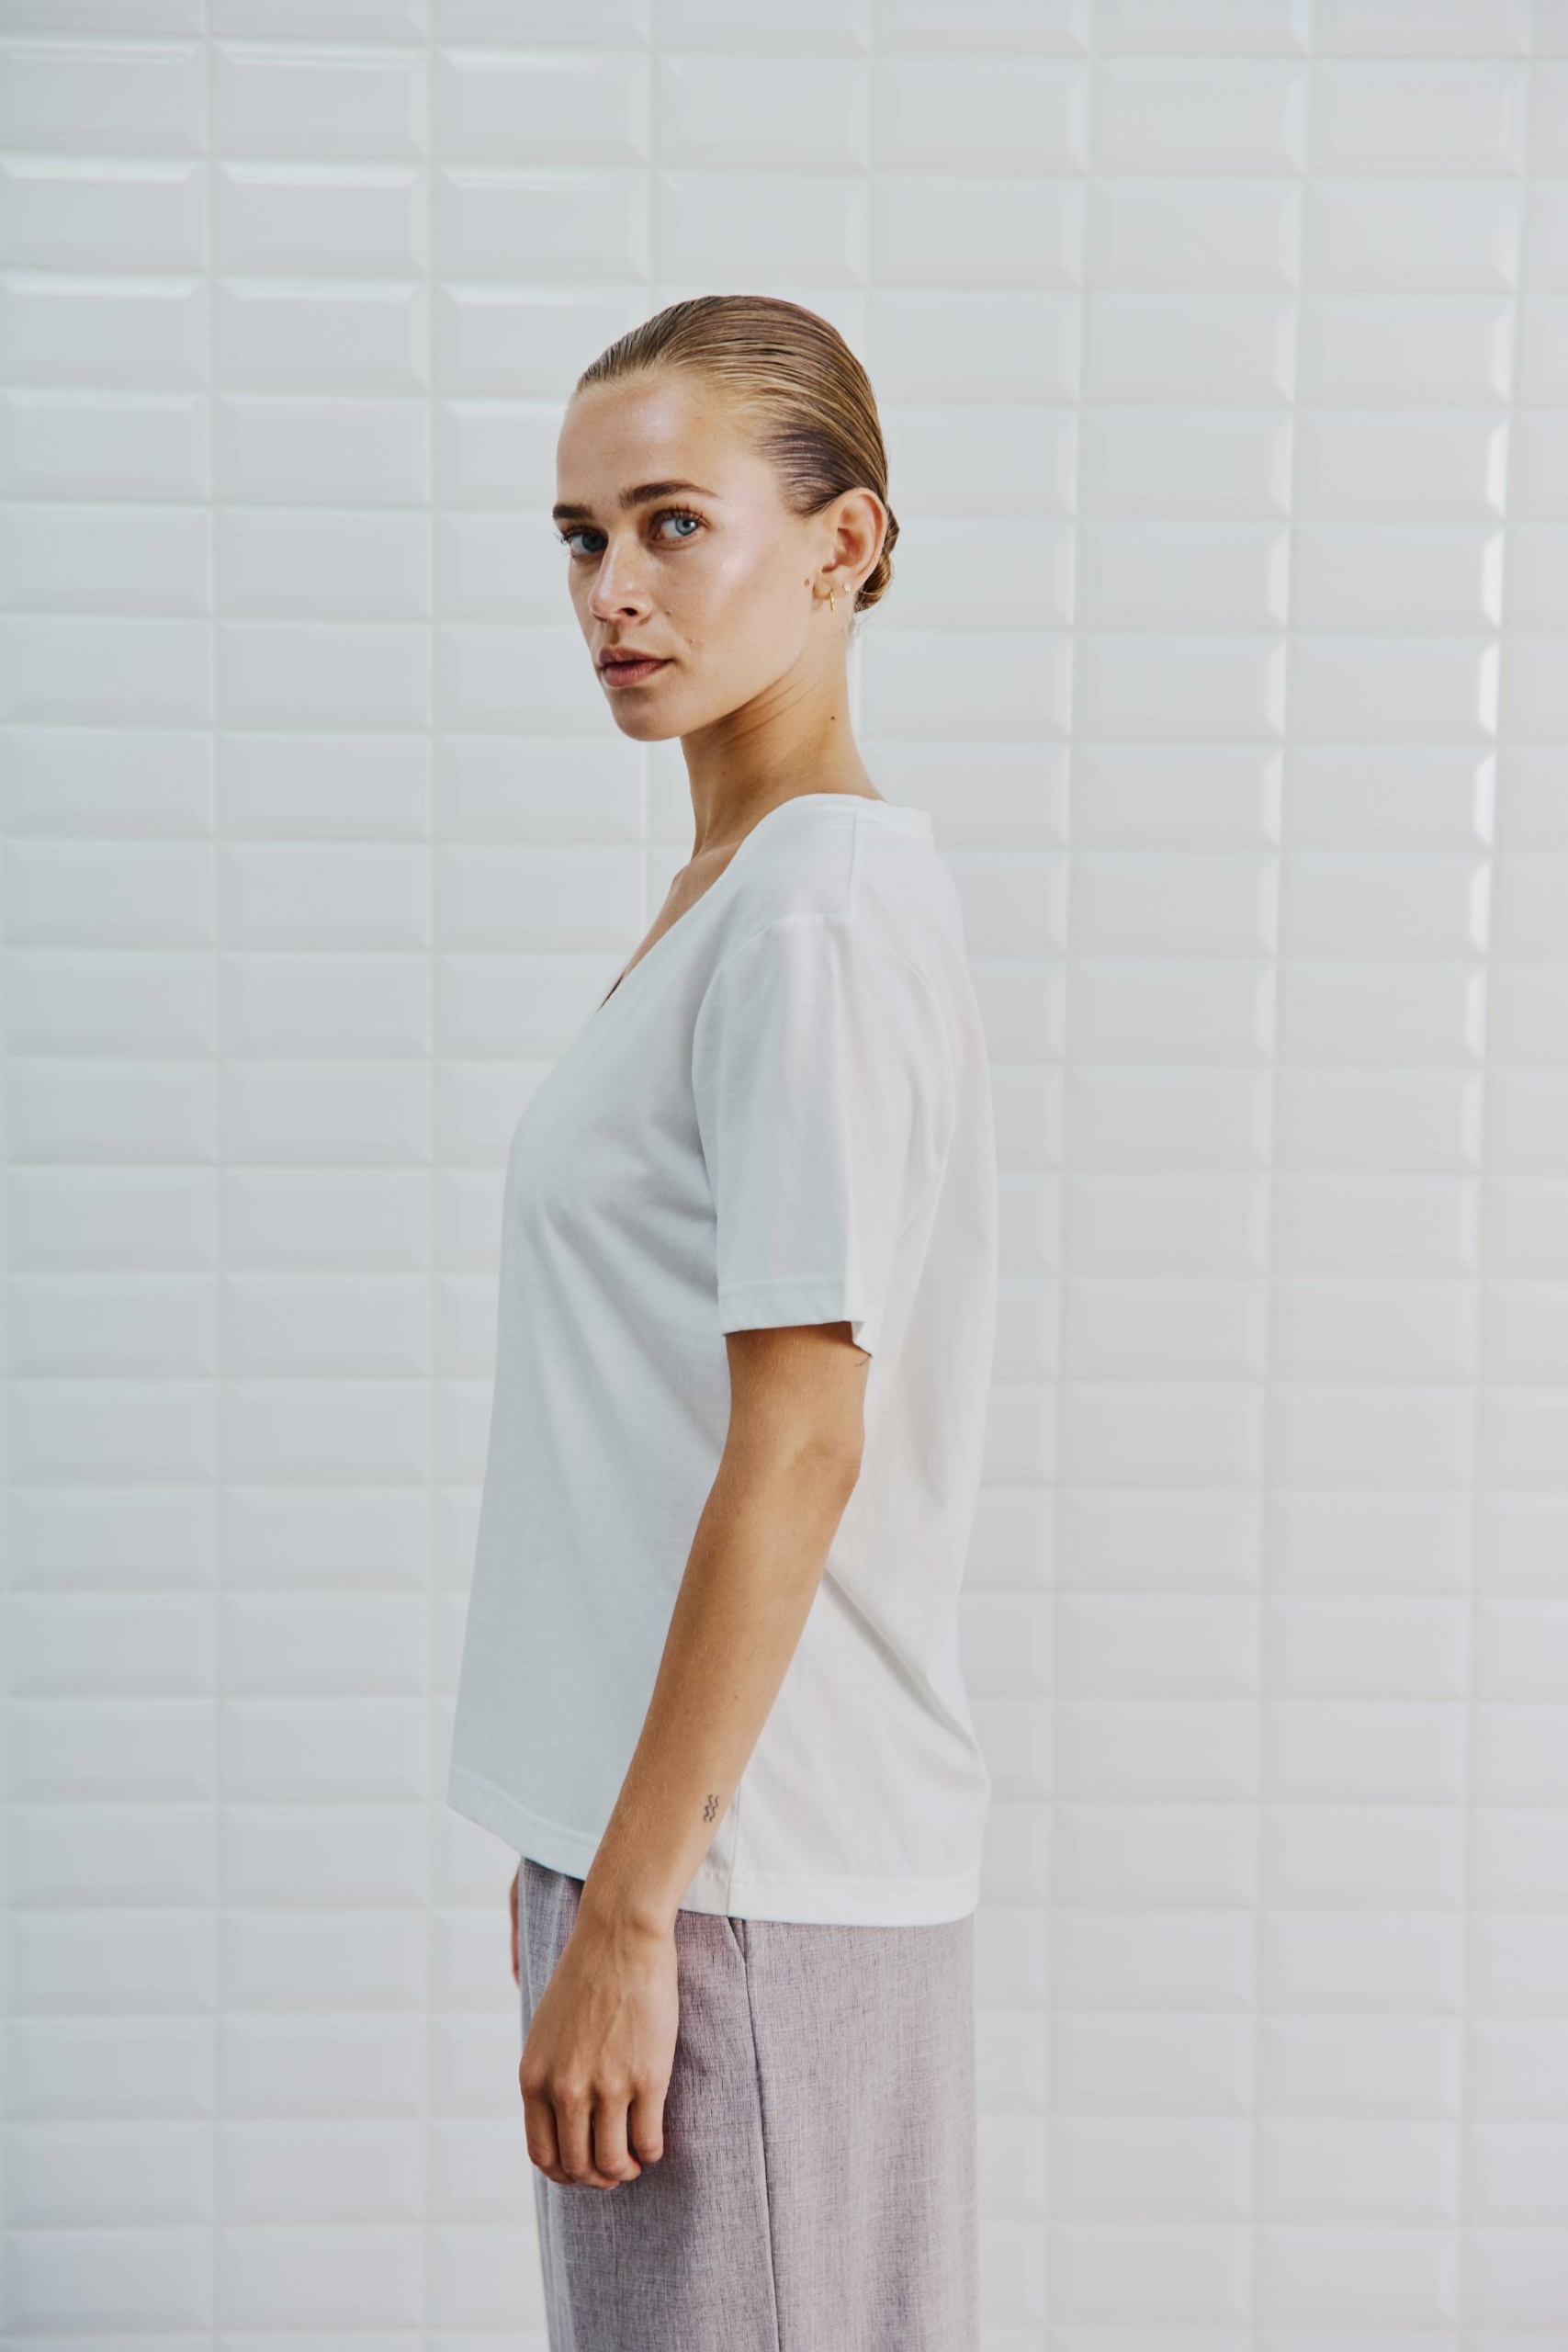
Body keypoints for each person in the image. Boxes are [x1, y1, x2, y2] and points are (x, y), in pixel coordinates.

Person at [446, 293, 997, 2350]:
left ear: (845, 542)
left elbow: (802, 1438)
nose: (614, 590)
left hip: (744, 1880)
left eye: (674, 524)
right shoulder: (743, 897)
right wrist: (581, 1869)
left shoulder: (813, 916)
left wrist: (635, 1906)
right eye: (581, 538)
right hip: (681, 1859)